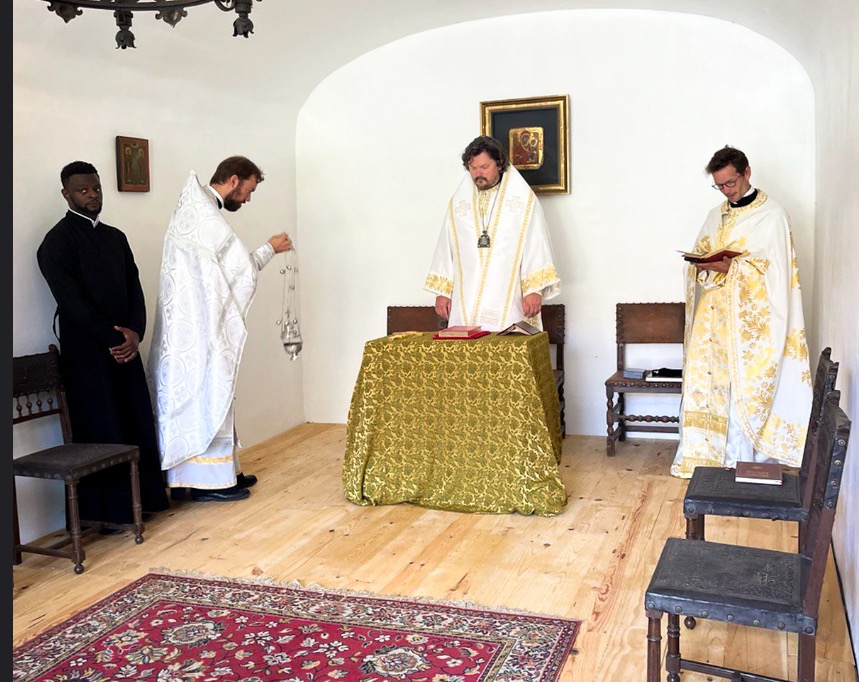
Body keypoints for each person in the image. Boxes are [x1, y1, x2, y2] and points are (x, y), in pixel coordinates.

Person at [147, 156, 292, 502]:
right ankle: (204, 483)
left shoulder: (197, 211)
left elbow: (227, 275)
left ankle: (223, 473)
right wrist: (270, 248)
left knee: (215, 394)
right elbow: (240, 273)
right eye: (249, 190)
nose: (247, 199)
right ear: (232, 180)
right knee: (207, 394)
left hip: (196, 327)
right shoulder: (206, 217)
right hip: (197, 332)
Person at [37, 161, 170, 526]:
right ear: (66, 194)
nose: (92, 195)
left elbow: (134, 287)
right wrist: (116, 338)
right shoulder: (56, 243)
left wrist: (135, 333)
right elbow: (72, 302)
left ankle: (147, 504)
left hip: (124, 350)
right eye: (83, 190)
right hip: (88, 357)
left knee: (135, 422)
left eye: (96, 188)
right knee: (102, 429)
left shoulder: (116, 237)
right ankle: (110, 516)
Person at [671, 146, 812, 478]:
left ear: (747, 173)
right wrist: (702, 265)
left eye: (730, 183)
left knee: (738, 389)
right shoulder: (714, 215)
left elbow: (777, 273)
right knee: (706, 383)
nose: (726, 191)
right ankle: (702, 456)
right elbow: (700, 258)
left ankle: (737, 459)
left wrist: (734, 268)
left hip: (747, 325)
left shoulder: (773, 214)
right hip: (712, 322)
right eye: (719, 185)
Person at [425, 135, 560, 331]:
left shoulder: (522, 200)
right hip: (466, 298)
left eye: (484, 167)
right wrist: (442, 292)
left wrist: (534, 290)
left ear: (499, 164)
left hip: (509, 296)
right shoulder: (459, 202)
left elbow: (535, 244)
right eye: (472, 168)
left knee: (507, 353)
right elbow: (445, 247)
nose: (478, 173)